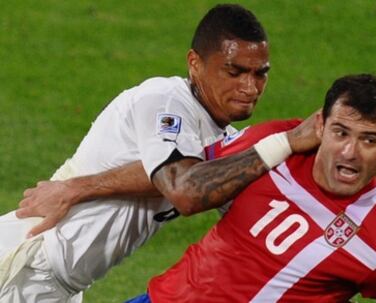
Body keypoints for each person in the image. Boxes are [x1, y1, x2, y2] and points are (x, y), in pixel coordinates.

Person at [0, 4, 318, 302]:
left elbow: (213, 180)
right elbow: (184, 188)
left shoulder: (216, 144)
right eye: (234, 72)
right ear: (195, 63)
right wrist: (285, 143)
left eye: (260, 73)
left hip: (56, 282)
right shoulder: (166, 103)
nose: (250, 88)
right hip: (25, 266)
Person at [126, 74, 376, 303]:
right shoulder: (276, 145)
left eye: (369, 140)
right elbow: (181, 174)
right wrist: (84, 186)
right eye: (340, 132)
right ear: (320, 126)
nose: (349, 151)